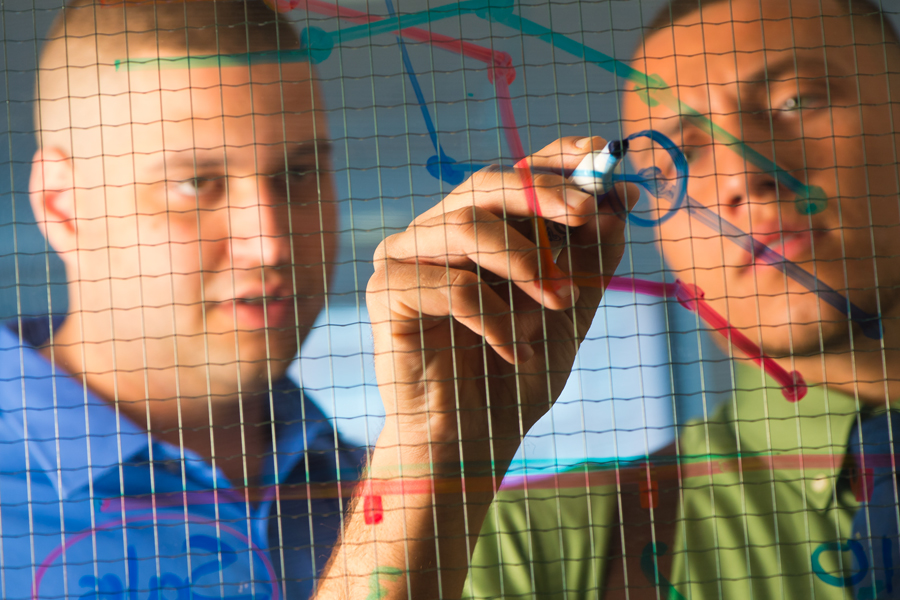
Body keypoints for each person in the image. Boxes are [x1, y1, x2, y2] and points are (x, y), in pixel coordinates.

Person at [10, 0, 636, 599]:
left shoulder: (400, 485)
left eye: (300, 174)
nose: (271, 242)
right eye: (196, 183)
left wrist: (441, 445)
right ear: (63, 207)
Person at [454, 0, 900, 598]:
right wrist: (431, 430)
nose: (746, 172)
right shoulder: (533, 550)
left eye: (797, 101)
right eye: (680, 156)